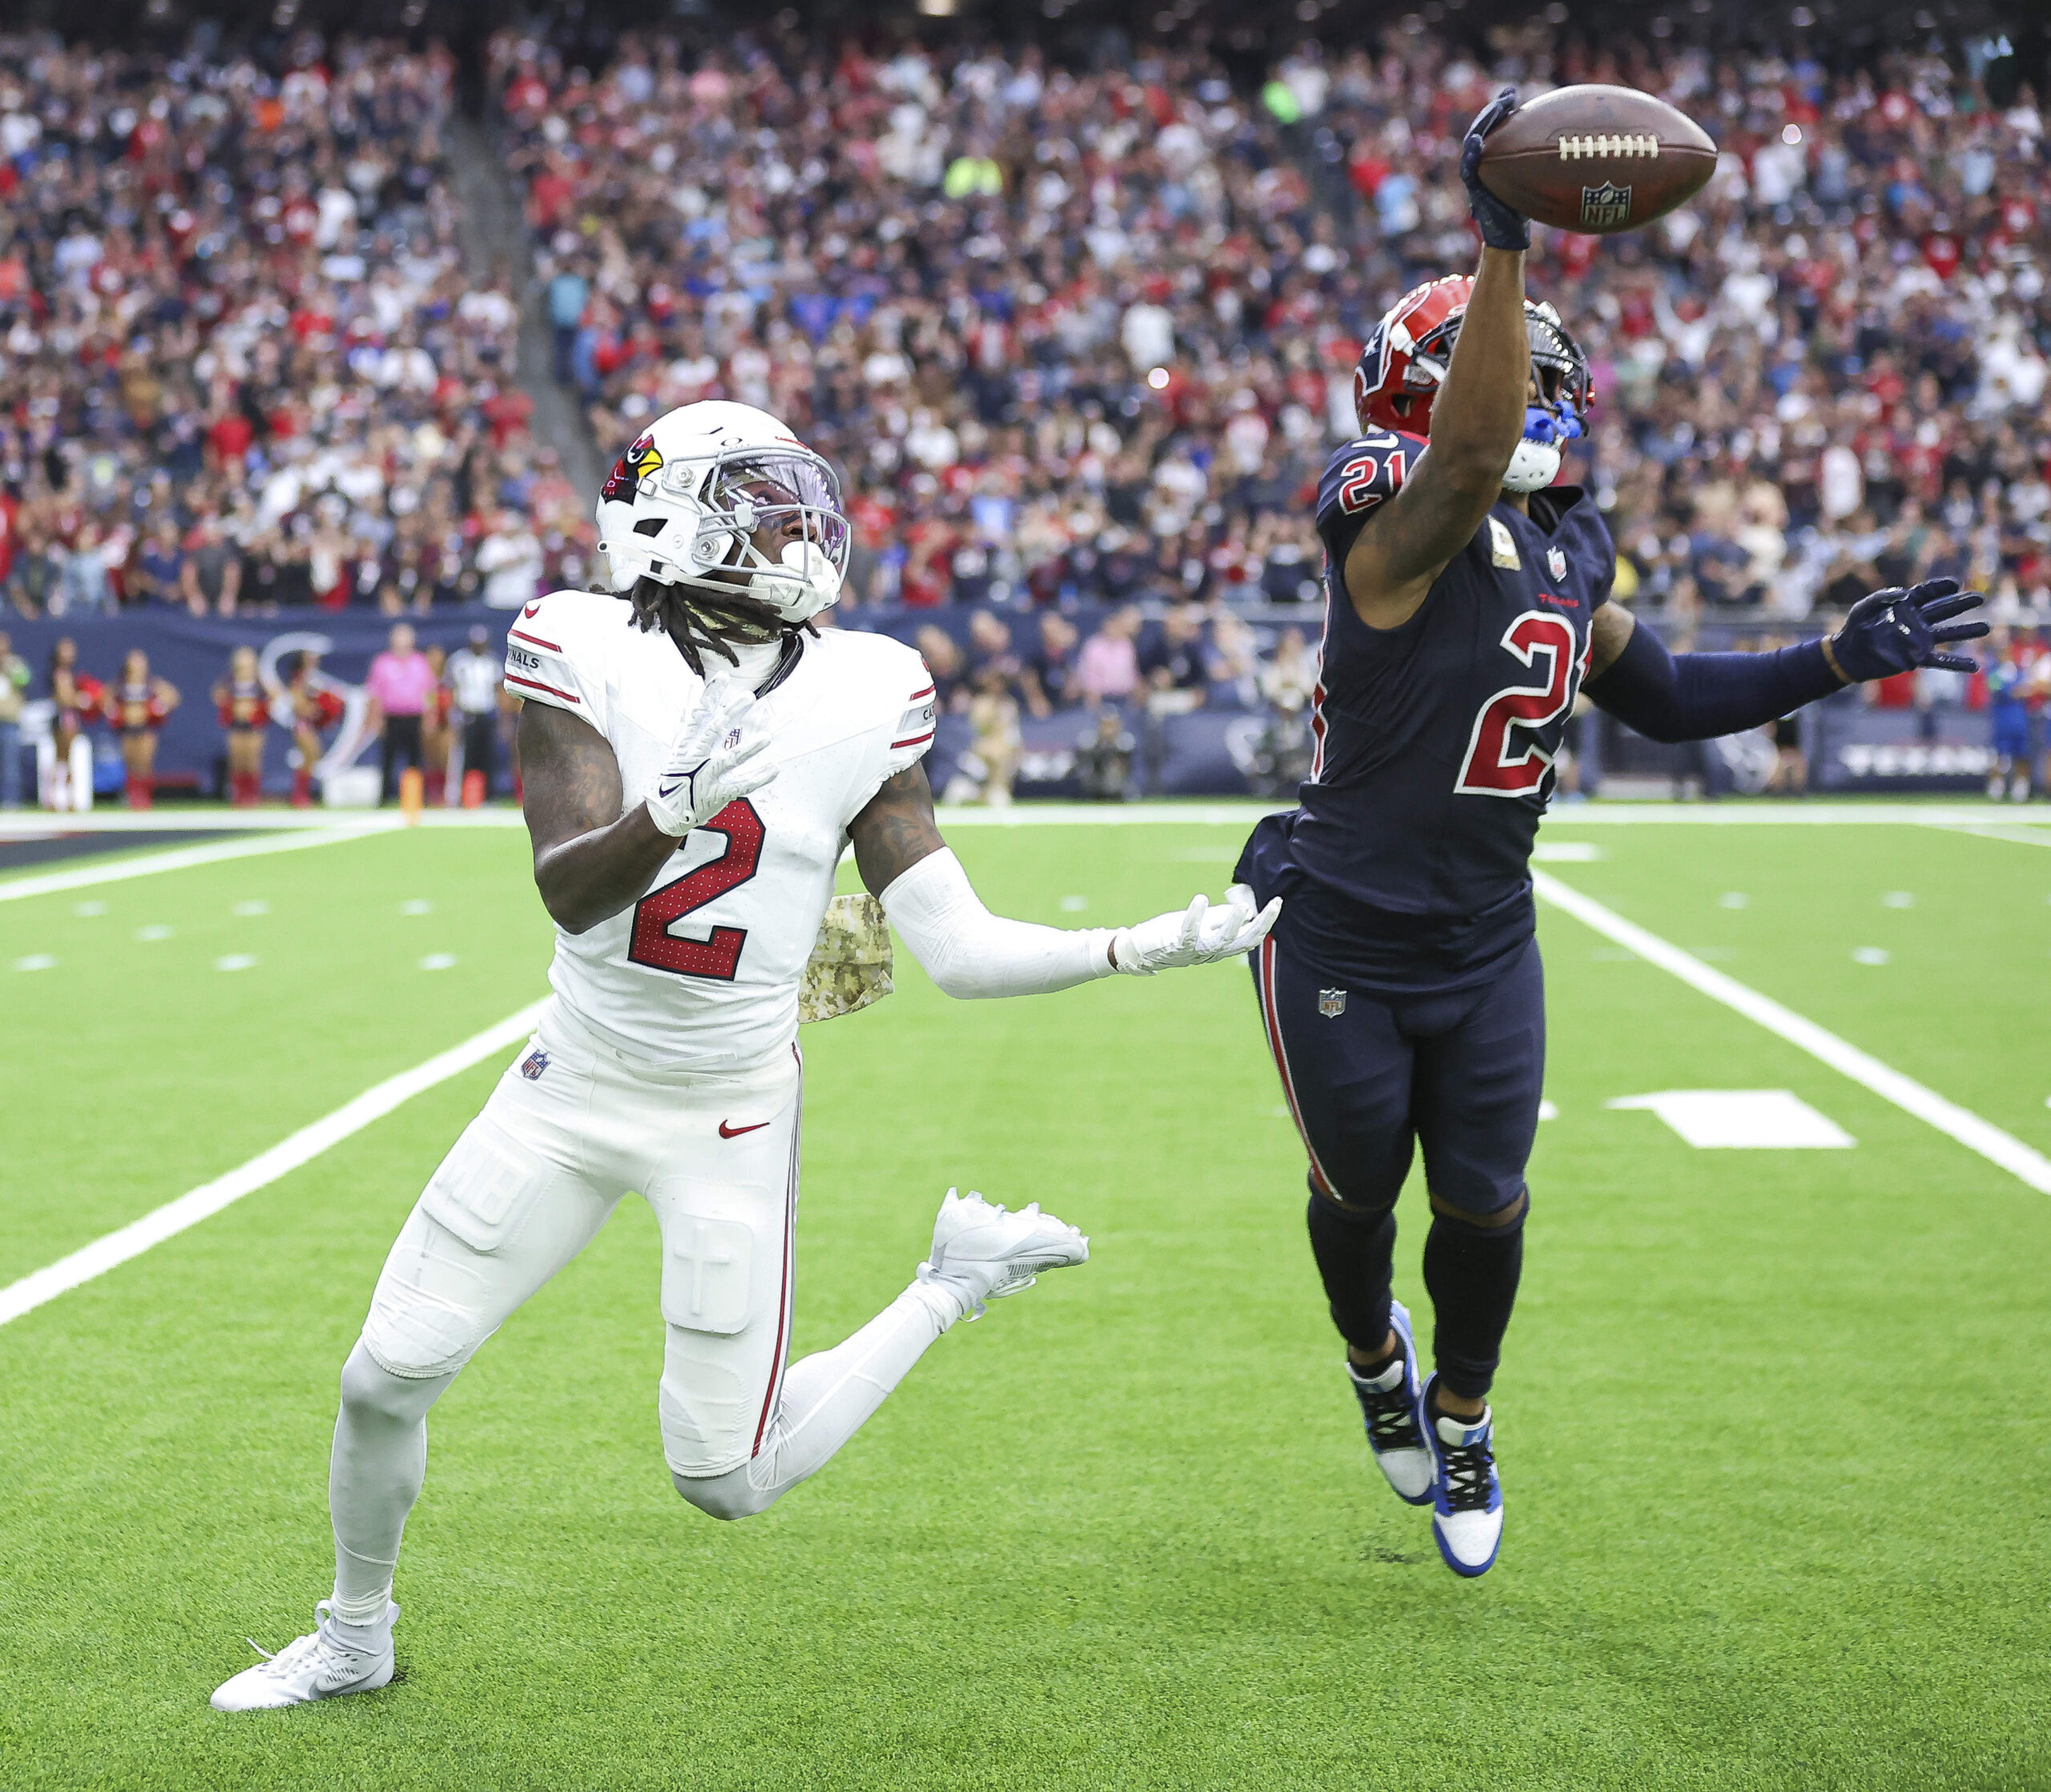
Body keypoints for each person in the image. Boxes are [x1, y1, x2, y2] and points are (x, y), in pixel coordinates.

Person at [211, 401, 1279, 1713]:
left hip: (728, 1108)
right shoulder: (574, 639)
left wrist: (1144, 943)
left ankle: (952, 1281)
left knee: (726, 1476)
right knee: (383, 1377)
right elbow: (570, 891)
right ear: (666, 517)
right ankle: (354, 1629)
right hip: (575, 1082)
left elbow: (950, 945)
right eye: (756, 501)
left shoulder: (866, 684)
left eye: (795, 501)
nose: (795, 529)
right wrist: (673, 808)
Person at [1233, 91, 1988, 1581]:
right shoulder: (1385, 504)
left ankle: (1459, 1411)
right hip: (1341, 926)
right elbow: (1458, 470)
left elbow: (1666, 692)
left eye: (1553, 380)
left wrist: (1832, 659)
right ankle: (1370, 1358)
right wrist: (1502, 244)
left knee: (1489, 1201)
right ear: (1427, 392)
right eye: (1516, 377)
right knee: (1356, 1196)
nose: (1546, 404)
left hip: (1484, 935)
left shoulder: (1574, 547)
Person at [365, 622, 433, 803]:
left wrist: (429, 716)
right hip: (392, 716)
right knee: (388, 759)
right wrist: (376, 719)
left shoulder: (420, 662)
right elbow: (375, 693)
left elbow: (429, 693)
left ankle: (415, 798)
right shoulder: (383, 662)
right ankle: (384, 797)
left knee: (415, 759)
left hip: (414, 716)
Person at [103, 648, 179, 809]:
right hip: (127, 729)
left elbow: (173, 696)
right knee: (131, 765)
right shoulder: (120, 684)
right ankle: (132, 796)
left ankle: (145, 797)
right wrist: (116, 712)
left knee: (144, 764)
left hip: (146, 729)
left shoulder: (151, 683)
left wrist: (157, 708)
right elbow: (105, 698)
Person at [446, 623, 506, 799]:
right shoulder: (459, 661)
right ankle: (465, 796)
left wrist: (503, 719)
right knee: (467, 757)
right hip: (467, 715)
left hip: (487, 714)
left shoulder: (492, 662)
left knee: (488, 757)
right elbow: (451, 689)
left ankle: (488, 796)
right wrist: (453, 716)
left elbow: (498, 691)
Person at [45, 638, 102, 811]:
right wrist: (81, 701)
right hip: (63, 719)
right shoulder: (60, 674)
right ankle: (56, 798)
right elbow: (63, 699)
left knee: (67, 760)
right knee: (62, 759)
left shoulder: (69, 673)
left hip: (69, 718)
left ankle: (67, 798)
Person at [213, 645, 272, 807]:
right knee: (237, 761)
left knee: (252, 761)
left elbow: (272, 697)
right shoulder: (230, 681)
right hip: (236, 726)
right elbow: (218, 695)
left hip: (254, 727)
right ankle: (238, 795)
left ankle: (252, 795)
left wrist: (258, 709)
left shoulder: (259, 681)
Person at [285, 650, 345, 809]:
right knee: (309, 755)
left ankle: (303, 794)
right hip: (302, 723)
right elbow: (297, 702)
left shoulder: (313, 678)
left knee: (313, 757)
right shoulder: (299, 678)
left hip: (310, 724)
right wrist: (312, 709)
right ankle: (299, 796)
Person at [419, 643, 453, 807]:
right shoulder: (424, 680)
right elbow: (425, 702)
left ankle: (446, 795)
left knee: (445, 760)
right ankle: (431, 795)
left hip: (446, 725)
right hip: (431, 724)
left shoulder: (447, 679)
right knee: (431, 760)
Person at [0, 630, 26, 808]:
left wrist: (8, 666)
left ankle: (11, 801)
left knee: (10, 766)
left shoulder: (14, 663)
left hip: (8, 722)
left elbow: (25, 679)